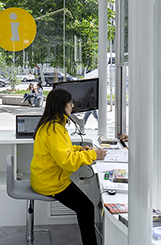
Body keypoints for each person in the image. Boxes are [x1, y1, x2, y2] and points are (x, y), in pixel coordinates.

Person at [30, 88, 106, 245]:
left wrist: (80, 149)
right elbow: (67, 162)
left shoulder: (54, 125)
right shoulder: (54, 129)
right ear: (61, 105)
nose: (72, 106)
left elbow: (62, 150)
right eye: (70, 103)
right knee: (86, 208)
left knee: (86, 206)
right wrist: (93, 155)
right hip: (50, 183)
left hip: (51, 179)